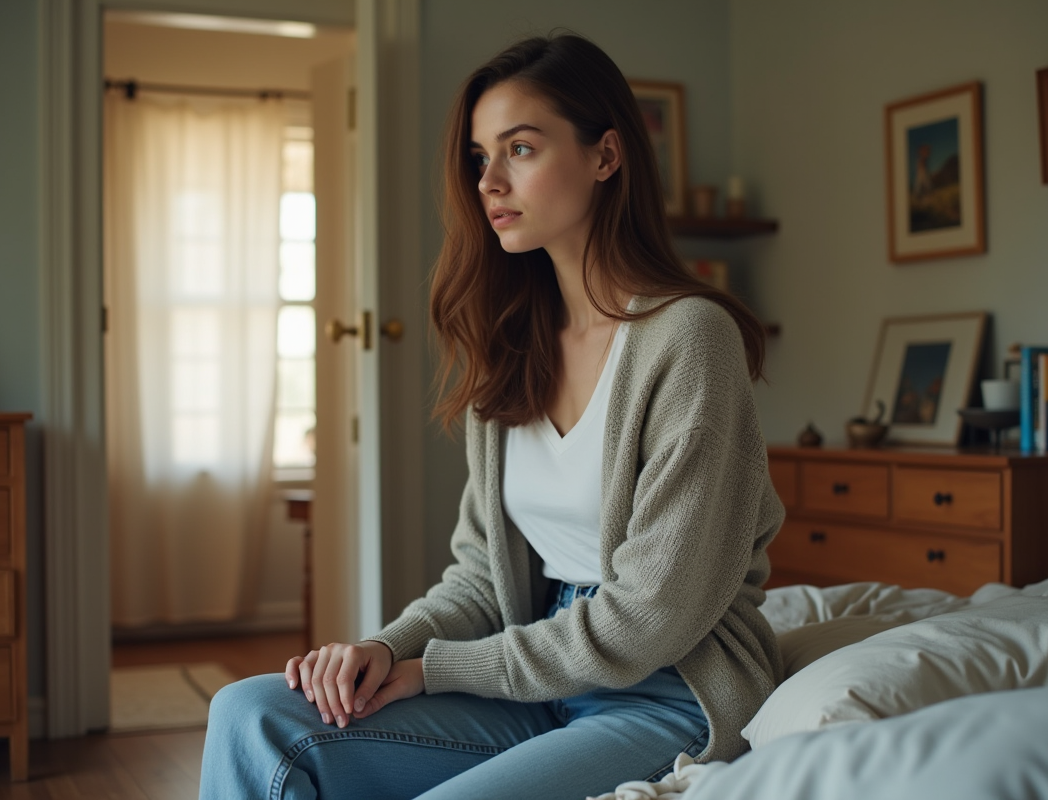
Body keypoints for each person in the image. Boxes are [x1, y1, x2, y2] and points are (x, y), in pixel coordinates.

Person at [199, 32, 784, 800]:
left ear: (606, 156)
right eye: (481, 157)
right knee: (248, 715)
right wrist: (385, 648)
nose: (490, 181)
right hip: (533, 683)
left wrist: (435, 669)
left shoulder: (688, 339)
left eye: (521, 149)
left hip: (666, 694)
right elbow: (481, 577)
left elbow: (650, 616)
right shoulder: (513, 345)